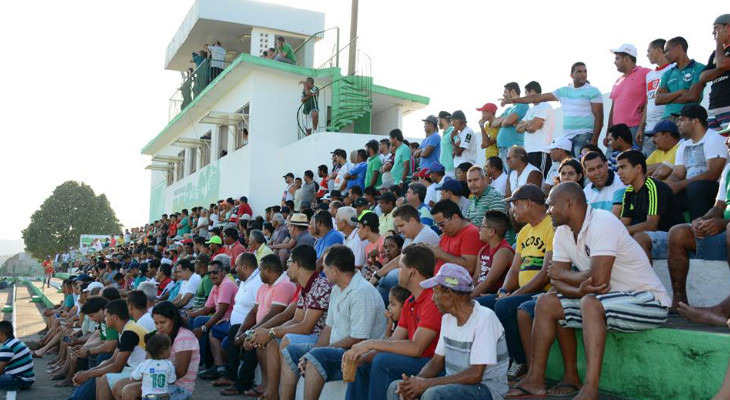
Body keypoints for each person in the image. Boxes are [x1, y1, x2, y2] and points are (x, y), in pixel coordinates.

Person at [508, 182, 670, 399]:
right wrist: (574, 283)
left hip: (647, 300)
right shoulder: (563, 230)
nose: (548, 210)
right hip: (606, 299)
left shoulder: (603, 222)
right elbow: (556, 281)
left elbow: (596, 280)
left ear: (570, 204)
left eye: (552, 205)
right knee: (547, 302)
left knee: (590, 302)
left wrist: (565, 276)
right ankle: (536, 379)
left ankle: (590, 388)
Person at [387, 263, 509, 400]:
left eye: (435, 292)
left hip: (487, 388)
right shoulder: (447, 318)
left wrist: (426, 384)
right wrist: (416, 382)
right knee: (397, 388)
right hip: (456, 384)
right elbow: (436, 362)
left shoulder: (485, 318)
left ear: (449, 294)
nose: (433, 298)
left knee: (432, 394)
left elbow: (476, 374)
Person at [281, 245, 386, 400]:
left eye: (325, 267)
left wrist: (318, 352)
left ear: (335, 270)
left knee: (316, 356)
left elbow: (358, 338)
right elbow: (328, 328)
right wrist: (313, 351)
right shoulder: (337, 288)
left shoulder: (362, 292)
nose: (322, 271)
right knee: (291, 351)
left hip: (356, 354)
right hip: (336, 348)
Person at [343, 244, 442, 400]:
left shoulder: (432, 299)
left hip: (432, 365)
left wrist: (370, 344)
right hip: (416, 359)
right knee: (363, 364)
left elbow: (417, 347)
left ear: (412, 271)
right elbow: (394, 341)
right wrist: (363, 357)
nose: (397, 273)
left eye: (400, 268)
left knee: (382, 361)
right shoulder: (410, 301)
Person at [476, 185, 552, 380]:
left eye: (515, 205)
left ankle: (519, 360)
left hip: (544, 292)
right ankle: (490, 360)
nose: (513, 210)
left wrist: (513, 295)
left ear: (528, 204)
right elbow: (515, 268)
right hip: (522, 290)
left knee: (505, 306)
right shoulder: (524, 231)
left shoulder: (552, 226)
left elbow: (545, 274)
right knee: (479, 305)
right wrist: (503, 289)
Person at [249, 245, 332, 400]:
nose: (286, 267)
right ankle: (272, 393)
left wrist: (270, 332)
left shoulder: (320, 286)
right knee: (273, 340)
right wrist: (268, 333)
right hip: (309, 334)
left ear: (298, 264)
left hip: (321, 338)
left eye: (289, 262)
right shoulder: (305, 287)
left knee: (285, 338)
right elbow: (296, 319)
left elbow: (306, 327)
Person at [669, 134, 730, 314]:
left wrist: (724, 223)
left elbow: (723, 220)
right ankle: (679, 304)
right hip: (724, 235)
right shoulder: (728, 170)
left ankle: (724, 311)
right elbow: (718, 207)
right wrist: (703, 220)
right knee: (678, 232)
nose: (726, 141)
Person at [504, 62, 604, 157]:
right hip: (566, 138)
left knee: (584, 167)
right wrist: (512, 100)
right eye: (579, 71)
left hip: (584, 135)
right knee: (572, 167)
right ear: (572, 75)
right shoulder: (564, 91)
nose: (583, 74)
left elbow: (599, 117)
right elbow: (537, 98)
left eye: (585, 71)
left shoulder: (593, 91)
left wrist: (594, 141)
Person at [119, 301, 201, 400]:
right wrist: (154, 343)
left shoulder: (184, 337)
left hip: (179, 387)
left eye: (163, 322)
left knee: (129, 391)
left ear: (173, 320)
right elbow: (148, 360)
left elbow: (180, 372)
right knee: (118, 386)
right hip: (159, 380)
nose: (159, 327)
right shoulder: (161, 336)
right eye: (156, 323)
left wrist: (151, 381)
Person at [616, 150, 684, 262]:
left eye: (623, 167)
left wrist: (619, 231)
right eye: (618, 168)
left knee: (639, 237)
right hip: (650, 236)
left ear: (638, 168)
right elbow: (623, 223)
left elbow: (651, 225)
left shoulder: (654, 186)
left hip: (673, 237)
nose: (618, 172)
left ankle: (646, 279)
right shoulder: (628, 192)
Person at [666, 104, 727, 220]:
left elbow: (713, 174)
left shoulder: (714, 139)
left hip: (715, 191)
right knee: (664, 194)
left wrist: (680, 185)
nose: (678, 124)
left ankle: (699, 231)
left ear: (695, 121)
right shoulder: (683, 145)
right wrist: (669, 185)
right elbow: (677, 174)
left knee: (695, 187)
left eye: (681, 120)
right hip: (691, 189)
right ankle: (673, 232)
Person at [211, 252, 262, 388]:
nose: (234, 269)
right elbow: (239, 304)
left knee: (235, 335)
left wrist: (242, 330)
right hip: (235, 324)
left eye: (237, 266)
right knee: (224, 332)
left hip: (250, 326)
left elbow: (257, 310)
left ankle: (238, 380)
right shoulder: (246, 280)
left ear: (245, 266)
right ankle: (228, 374)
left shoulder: (258, 281)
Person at [373, 204, 441, 303]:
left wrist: (377, 276)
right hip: (412, 276)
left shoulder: (426, 235)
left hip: (423, 279)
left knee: (388, 278)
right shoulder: (410, 236)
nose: (399, 230)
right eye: (397, 227)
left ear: (412, 221)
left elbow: (402, 259)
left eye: (401, 225)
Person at [188, 259, 238, 378]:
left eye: (215, 272)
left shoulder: (226, 284)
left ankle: (212, 364)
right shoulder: (216, 285)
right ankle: (201, 360)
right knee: (196, 319)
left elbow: (220, 312)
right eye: (209, 273)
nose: (212, 276)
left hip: (229, 320)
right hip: (222, 319)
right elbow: (207, 309)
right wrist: (188, 314)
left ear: (223, 272)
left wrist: (204, 328)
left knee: (204, 325)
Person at [608, 44, 651, 145]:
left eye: (617, 58)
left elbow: (652, 97)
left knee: (633, 159)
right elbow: (613, 107)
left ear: (627, 58)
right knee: (612, 159)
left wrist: (641, 126)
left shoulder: (647, 73)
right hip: (616, 131)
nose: (614, 62)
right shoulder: (618, 80)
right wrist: (609, 131)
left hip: (634, 128)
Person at [655, 37, 705, 119]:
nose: (665, 55)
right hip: (666, 119)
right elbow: (658, 100)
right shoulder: (667, 74)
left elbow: (693, 96)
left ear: (678, 48)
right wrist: (681, 92)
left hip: (687, 118)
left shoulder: (698, 68)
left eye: (667, 50)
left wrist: (667, 98)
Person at [638, 39, 672, 155]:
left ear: (659, 50)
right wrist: (641, 127)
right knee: (648, 166)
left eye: (649, 51)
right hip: (649, 128)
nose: (647, 54)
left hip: (665, 125)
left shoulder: (673, 69)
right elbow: (649, 101)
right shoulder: (649, 75)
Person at [430, 200, 482, 275]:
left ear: (455, 217)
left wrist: (440, 254)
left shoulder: (471, 233)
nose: (440, 228)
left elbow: (469, 267)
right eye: (437, 225)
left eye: (441, 224)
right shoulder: (448, 232)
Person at [696, 15, 730, 131]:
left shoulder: (719, 49)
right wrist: (722, 68)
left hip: (728, 106)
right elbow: (702, 77)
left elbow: (722, 64)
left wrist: (719, 43)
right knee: (716, 146)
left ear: (728, 27)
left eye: (716, 28)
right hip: (714, 107)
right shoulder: (716, 53)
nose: (713, 32)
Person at [472, 210, 514, 298]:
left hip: (495, 294)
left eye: (482, 226)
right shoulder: (483, 249)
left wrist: (467, 298)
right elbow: (476, 277)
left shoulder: (503, 252)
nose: (479, 229)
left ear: (491, 231)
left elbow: (489, 281)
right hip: (479, 292)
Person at [517, 81, 554, 178]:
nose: (525, 97)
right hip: (529, 151)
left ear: (532, 92)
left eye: (526, 93)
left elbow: (533, 128)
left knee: (541, 180)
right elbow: (518, 128)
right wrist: (530, 123)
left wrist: (529, 124)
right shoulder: (530, 110)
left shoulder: (545, 106)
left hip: (541, 151)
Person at [493, 83, 529, 168]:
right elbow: (494, 123)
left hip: (513, 149)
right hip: (502, 150)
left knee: (513, 175)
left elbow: (507, 122)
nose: (503, 94)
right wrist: (505, 119)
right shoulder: (508, 109)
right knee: (507, 178)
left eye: (505, 91)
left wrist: (504, 121)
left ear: (512, 91)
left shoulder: (523, 105)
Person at [129, 334, 176, 399]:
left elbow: (134, 378)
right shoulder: (169, 364)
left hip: (148, 396)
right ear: (165, 352)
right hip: (164, 396)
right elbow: (172, 381)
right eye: (170, 347)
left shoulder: (144, 364)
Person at [582, 151, 626, 216]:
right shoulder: (586, 191)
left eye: (600, 167)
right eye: (591, 169)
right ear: (585, 173)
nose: (597, 172)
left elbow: (613, 218)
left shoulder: (621, 184)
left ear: (606, 165)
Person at [0, 321, 34, 391]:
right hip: (27, 379)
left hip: (20, 380)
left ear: (1, 334)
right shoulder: (15, 341)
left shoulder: (7, 347)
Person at [438, 111, 456, 177]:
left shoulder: (453, 132)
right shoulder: (445, 134)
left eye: (438, 120)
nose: (437, 123)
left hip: (451, 170)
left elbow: (457, 149)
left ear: (442, 120)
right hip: (444, 170)